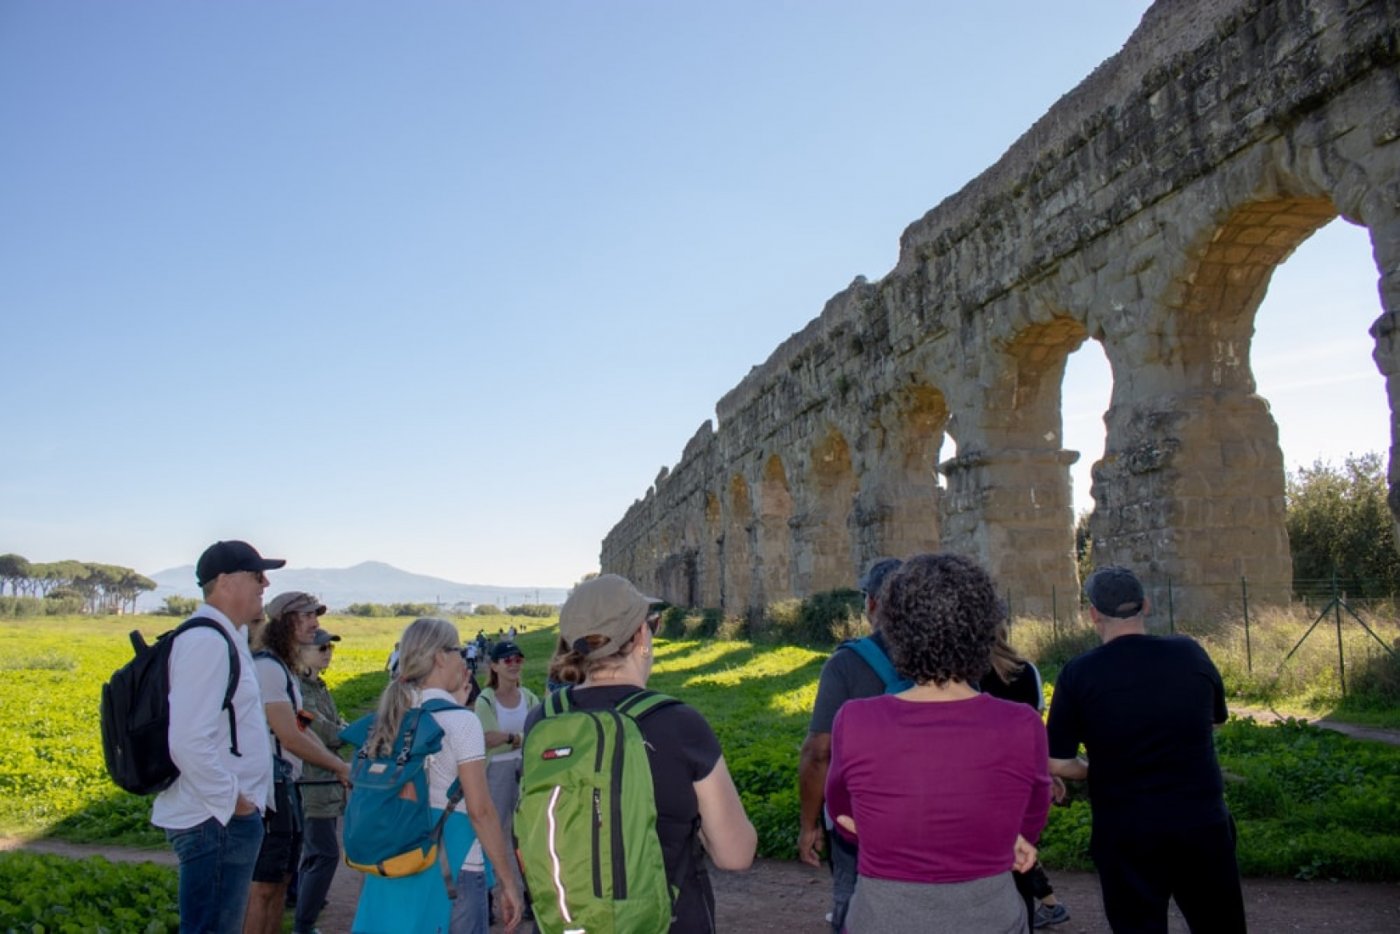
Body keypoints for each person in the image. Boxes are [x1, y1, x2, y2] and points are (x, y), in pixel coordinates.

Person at [825, 553, 1051, 934]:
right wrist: (1002, 837)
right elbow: (1031, 814)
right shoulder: (1022, 724)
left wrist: (888, 833)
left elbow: (844, 818)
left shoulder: (855, 720)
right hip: (989, 913)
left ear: (896, 632)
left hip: (887, 914)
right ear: (984, 631)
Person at [530, 574, 756, 932]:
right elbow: (736, 854)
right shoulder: (679, 723)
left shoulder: (543, 719)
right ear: (640, 638)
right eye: (653, 623)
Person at [1046, 566, 1246, 933]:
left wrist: (1098, 767)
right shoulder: (1189, 652)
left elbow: (1057, 762)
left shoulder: (1079, 673)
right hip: (1201, 823)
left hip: (1126, 831)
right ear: (1146, 605)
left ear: (1093, 614)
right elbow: (1215, 720)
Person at [351, 617, 523, 934]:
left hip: (390, 859)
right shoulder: (461, 722)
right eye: (457, 650)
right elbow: (480, 810)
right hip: (450, 865)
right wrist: (507, 881)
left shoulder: (389, 715)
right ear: (441, 657)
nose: (463, 658)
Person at [152, 540, 283, 934]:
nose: (265, 583)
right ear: (224, 581)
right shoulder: (207, 641)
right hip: (216, 819)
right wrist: (236, 802)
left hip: (222, 816)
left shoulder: (227, 637)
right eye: (256, 574)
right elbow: (188, 741)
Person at [797, 556, 903, 931]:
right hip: (928, 804)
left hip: (857, 813)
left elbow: (818, 752)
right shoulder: (946, 657)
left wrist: (808, 824)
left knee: (851, 894)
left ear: (871, 603)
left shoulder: (848, 663)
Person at [245, 592, 350, 934]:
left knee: (279, 880)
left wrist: (336, 761)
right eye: (307, 616)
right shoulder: (269, 669)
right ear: (286, 621)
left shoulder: (285, 671)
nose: (315, 624)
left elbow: (303, 728)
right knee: (263, 886)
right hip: (268, 783)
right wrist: (338, 766)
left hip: (284, 783)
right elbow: (290, 735)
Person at [980, 625, 1070, 930]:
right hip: (1022, 778)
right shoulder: (1027, 670)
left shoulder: (967, 674)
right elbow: (1035, 729)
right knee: (1021, 856)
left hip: (984, 778)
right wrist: (1044, 772)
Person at [472, 640, 539, 917]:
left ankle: (530, 895)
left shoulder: (530, 697)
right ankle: (486, 896)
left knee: (527, 837)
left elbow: (541, 733)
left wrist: (509, 738)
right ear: (495, 666)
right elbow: (487, 738)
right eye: (507, 659)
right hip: (496, 773)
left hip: (526, 771)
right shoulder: (485, 699)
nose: (513, 664)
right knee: (491, 835)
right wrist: (521, 738)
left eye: (518, 659)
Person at [293, 628, 347, 934]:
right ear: (300, 652)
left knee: (315, 853)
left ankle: (305, 916)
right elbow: (315, 729)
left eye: (329, 647)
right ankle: (304, 924)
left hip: (324, 781)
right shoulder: (299, 690)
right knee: (324, 854)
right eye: (321, 647)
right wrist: (346, 734)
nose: (327, 652)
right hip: (312, 781)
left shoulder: (318, 687)